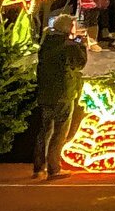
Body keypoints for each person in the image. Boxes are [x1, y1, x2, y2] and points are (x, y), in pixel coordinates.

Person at [30, 13, 86, 180]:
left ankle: (38, 167)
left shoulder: (46, 42)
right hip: (63, 93)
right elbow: (80, 63)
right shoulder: (68, 44)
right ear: (68, 28)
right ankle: (54, 169)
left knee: (45, 130)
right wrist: (80, 43)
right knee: (60, 130)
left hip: (46, 93)